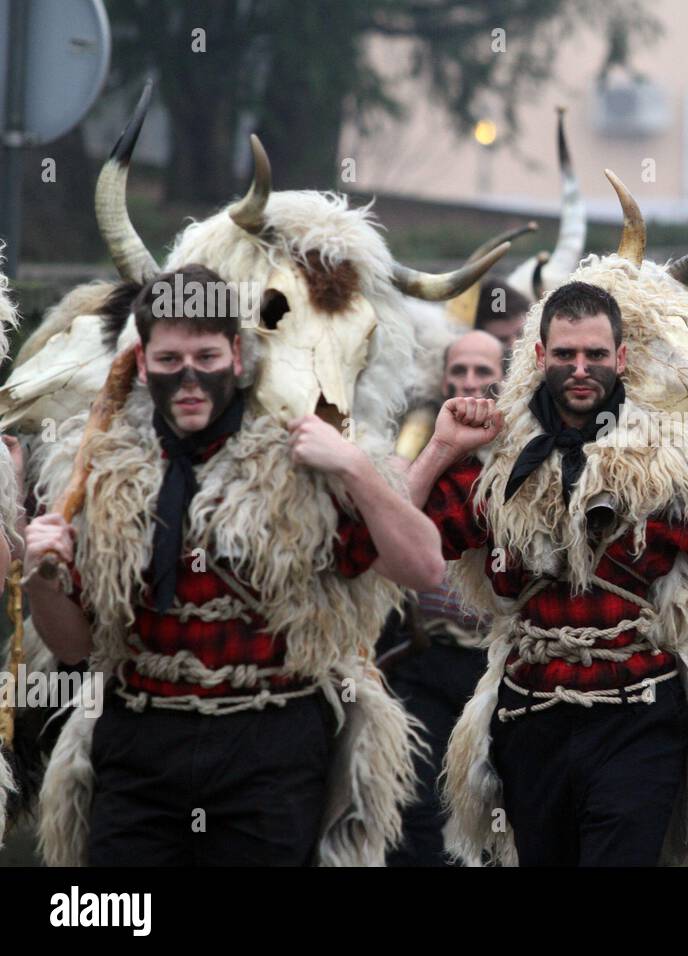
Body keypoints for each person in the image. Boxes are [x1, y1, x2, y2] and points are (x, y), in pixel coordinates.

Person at [24, 266, 444, 865]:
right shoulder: (98, 470)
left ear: (239, 355)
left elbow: (424, 567)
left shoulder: (304, 458)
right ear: (142, 364)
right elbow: (73, 648)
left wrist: (354, 467)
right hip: (140, 741)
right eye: (170, 360)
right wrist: (42, 576)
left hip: (269, 746)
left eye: (206, 355)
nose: (189, 377)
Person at [406, 279, 688, 865]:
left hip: (638, 722)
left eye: (596, 355)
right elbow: (399, 549)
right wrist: (441, 448)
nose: (581, 369)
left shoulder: (671, 466)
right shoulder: (499, 461)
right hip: (530, 718)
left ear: (621, 359)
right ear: (539, 357)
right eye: (566, 355)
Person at [380, 329, 505, 866]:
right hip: (424, 657)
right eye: (459, 372)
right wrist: (438, 448)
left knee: (500, 807)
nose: (470, 382)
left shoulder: (530, 446)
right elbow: (393, 523)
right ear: (443, 377)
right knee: (420, 808)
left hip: (501, 667)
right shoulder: (418, 438)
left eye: (483, 372)